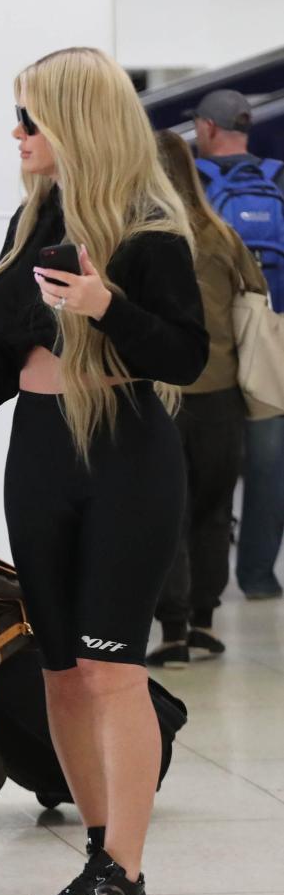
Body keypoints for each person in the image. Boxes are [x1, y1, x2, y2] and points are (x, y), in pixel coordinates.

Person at [0, 47, 207, 895]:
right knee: (60, 671)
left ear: (74, 124)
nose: (16, 134)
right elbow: (3, 345)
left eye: (30, 119)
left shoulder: (151, 227)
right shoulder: (31, 216)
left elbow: (186, 357)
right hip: (39, 456)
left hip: (123, 455)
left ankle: (126, 875)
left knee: (111, 671)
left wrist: (104, 305)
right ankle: (97, 853)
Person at [148, 130, 270, 667]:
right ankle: (204, 622)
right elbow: (257, 294)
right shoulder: (221, 233)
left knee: (166, 510)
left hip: (163, 396)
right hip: (221, 391)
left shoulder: (143, 235)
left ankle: (171, 631)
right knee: (214, 510)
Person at [193, 89, 284, 600]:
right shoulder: (278, 177)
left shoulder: (196, 184)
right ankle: (258, 576)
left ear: (207, 128)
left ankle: (200, 586)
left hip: (216, 339)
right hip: (273, 332)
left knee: (209, 461)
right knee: (269, 460)